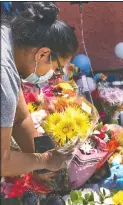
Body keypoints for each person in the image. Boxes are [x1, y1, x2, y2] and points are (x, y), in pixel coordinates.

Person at [1, 2, 78, 178]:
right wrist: (45, 161)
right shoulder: (3, 73)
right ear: (42, 54)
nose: (53, 75)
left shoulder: (8, 37)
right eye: (57, 69)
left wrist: (41, 163)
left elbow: (21, 117)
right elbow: (2, 163)